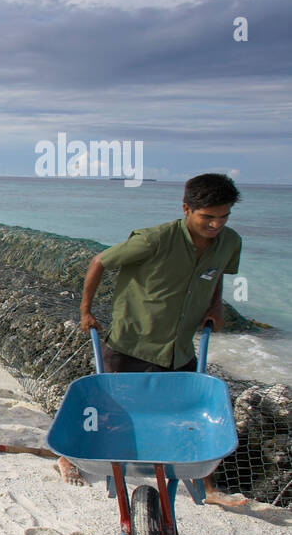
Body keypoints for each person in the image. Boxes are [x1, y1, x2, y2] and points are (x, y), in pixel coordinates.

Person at [58, 173, 245, 507]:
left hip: (179, 348)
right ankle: (70, 458)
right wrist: (86, 311)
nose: (216, 224)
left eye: (223, 216)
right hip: (132, 340)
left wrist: (215, 307)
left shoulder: (230, 242)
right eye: (208, 217)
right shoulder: (155, 240)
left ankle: (209, 488)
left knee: (189, 414)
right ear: (187, 209)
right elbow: (100, 261)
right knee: (107, 409)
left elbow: (214, 276)